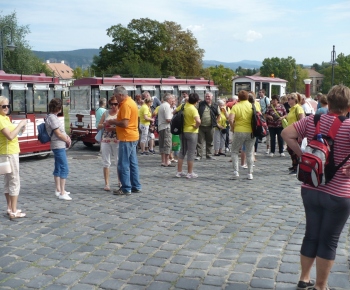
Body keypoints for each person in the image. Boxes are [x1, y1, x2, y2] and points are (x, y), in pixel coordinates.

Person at [281, 84, 350, 290]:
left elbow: (286, 134)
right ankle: (321, 286)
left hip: (311, 187)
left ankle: (304, 278)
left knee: (311, 233)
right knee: (329, 240)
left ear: (328, 101)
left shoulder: (313, 120)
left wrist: (302, 156)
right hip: (339, 192)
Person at [106, 86, 141, 195]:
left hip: (126, 137)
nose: (115, 99)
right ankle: (136, 185)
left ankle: (126, 188)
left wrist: (113, 122)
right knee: (132, 163)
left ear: (121, 95)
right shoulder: (131, 102)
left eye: (116, 96)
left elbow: (125, 123)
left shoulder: (126, 105)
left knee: (123, 163)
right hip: (133, 135)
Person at [0, 96, 27, 219]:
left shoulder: (5, 118)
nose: (6, 108)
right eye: (3, 106)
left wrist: (20, 128)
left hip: (8, 152)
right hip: (9, 153)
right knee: (14, 180)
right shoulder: (1, 119)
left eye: (7, 106)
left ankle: (10, 208)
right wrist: (21, 123)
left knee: (8, 181)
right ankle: (14, 210)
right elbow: (10, 136)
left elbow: (14, 134)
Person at [46, 98, 72, 200]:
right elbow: (58, 133)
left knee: (58, 166)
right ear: (58, 108)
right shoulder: (52, 118)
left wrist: (66, 137)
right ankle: (62, 192)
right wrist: (67, 140)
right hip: (58, 145)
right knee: (64, 167)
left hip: (58, 145)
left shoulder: (51, 116)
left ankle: (58, 189)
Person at [229, 90, 255, 180]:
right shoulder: (252, 106)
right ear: (248, 97)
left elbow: (230, 119)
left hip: (239, 131)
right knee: (249, 153)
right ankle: (250, 173)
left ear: (238, 98)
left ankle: (236, 172)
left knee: (235, 151)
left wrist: (233, 128)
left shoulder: (236, 106)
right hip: (251, 131)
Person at [176, 93, 201, 178]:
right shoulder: (193, 109)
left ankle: (179, 172)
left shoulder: (183, 106)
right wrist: (196, 126)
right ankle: (190, 173)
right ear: (196, 102)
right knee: (191, 152)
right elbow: (198, 121)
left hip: (182, 131)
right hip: (191, 132)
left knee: (182, 151)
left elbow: (174, 112)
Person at [97, 96, 120, 191]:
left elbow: (124, 127)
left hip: (117, 140)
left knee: (118, 161)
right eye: (112, 104)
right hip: (106, 139)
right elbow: (98, 126)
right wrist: (104, 125)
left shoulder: (120, 113)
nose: (113, 106)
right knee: (106, 162)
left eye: (115, 104)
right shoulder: (106, 113)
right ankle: (107, 183)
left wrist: (114, 128)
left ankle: (120, 181)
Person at [280, 93, 305, 174]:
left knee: (294, 150)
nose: (288, 100)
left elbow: (302, 120)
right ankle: (294, 165)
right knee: (290, 149)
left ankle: (298, 166)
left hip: (296, 132)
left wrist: (301, 134)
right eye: (288, 98)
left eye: (290, 98)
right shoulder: (291, 109)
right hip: (291, 132)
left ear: (295, 100)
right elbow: (289, 117)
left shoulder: (298, 108)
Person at [195, 92, 219, 161]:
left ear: (212, 97)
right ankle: (199, 155)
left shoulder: (215, 105)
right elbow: (195, 111)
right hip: (201, 126)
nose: (207, 98)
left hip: (210, 126)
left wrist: (216, 122)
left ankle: (209, 155)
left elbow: (219, 114)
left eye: (208, 96)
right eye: (206, 96)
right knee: (199, 142)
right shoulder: (200, 104)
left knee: (210, 141)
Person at [158, 93, 174, 167]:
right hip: (166, 127)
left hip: (161, 127)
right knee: (167, 144)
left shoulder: (161, 105)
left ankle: (162, 161)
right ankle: (167, 161)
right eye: (171, 99)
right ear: (168, 99)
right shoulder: (167, 106)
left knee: (161, 145)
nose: (172, 100)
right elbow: (168, 119)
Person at [258, 89, 271, 154]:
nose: (259, 93)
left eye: (260, 92)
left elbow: (268, 107)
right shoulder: (260, 100)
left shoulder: (266, 99)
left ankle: (268, 147)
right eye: (259, 92)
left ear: (263, 93)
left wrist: (266, 114)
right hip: (261, 115)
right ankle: (261, 137)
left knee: (267, 129)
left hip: (265, 115)